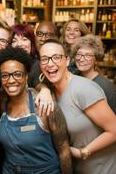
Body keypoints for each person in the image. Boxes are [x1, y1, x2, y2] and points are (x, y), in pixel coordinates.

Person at [39, 39, 116, 174]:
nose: (50, 64)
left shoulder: (83, 88)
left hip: (102, 169)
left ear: (67, 61)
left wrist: (83, 152)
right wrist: (44, 88)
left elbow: (114, 130)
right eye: (44, 59)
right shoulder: (51, 90)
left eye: (56, 57)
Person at [0, 46, 72, 174]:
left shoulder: (44, 105)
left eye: (17, 74)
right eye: (5, 75)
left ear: (26, 76)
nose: (11, 80)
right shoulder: (2, 102)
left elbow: (64, 152)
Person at [11, 23, 55, 115]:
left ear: (32, 43)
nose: (19, 44)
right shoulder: (6, 65)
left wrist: (44, 90)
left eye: (24, 39)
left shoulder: (36, 65)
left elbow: (37, 82)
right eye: (14, 40)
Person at [71, 34, 116, 114]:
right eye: (79, 54)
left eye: (88, 55)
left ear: (96, 60)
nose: (81, 59)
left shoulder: (106, 87)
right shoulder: (73, 78)